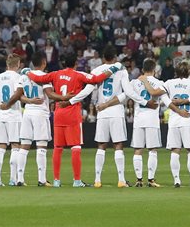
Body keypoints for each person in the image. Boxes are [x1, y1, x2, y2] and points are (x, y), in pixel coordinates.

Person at [25, 59, 113, 187]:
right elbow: (96, 79)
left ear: (63, 63)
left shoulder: (55, 74)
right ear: (75, 64)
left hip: (59, 114)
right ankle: (77, 181)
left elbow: (38, 78)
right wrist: (112, 69)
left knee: (58, 148)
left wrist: (27, 72)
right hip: (73, 114)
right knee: (76, 147)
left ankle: (56, 180)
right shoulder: (79, 75)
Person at [89, 46, 131, 187]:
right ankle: (121, 180)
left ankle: (97, 180)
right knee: (118, 145)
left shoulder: (96, 70)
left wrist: (95, 105)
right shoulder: (121, 70)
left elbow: (93, 92)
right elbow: (126, 92)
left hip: (102, 111)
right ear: (115, 57)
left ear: (103, 58)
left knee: (101, 145)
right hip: (116, 111)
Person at [125, 59, 169, 187]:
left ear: (143, 69)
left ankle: (139, 180)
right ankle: (151, 180)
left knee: (138, 149)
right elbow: (163, 98)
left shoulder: (134, 82)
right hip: (152, 120)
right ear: (154, 70)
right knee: (152, 150)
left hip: (138, 120)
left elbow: (127, 94)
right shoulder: (159, 83)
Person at [15, 55, 51, 185]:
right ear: (44, 62)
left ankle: (20, 179)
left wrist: (29, 100)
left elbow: (19, 96)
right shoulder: (45, 77)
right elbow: (50, 94)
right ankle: (42, 179)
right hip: (40, 112)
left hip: (27, 112)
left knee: (24, 146)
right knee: (41, 145)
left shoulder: (24, 77)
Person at [0, 54, 25, 186]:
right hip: (14, 115)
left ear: (7, 64)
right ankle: (12, 179)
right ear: (18, 64)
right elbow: (17, 94)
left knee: (0, 146)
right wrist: (8, 104)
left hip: (1, 116)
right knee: (15, 146)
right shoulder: (18, 77)